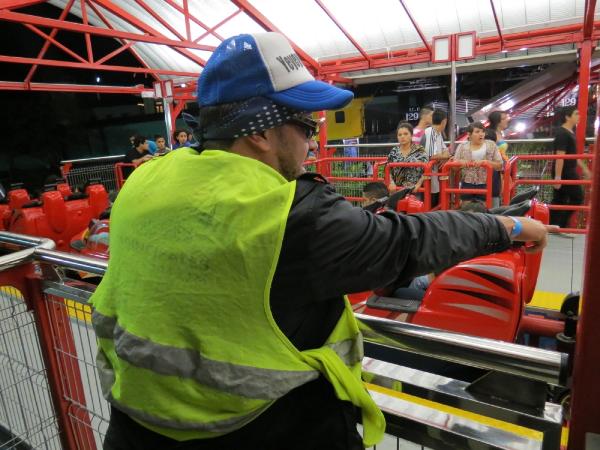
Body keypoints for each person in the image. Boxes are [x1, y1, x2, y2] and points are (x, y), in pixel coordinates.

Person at [91, 32, 551, 450]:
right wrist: (505, 227)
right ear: (261, 132)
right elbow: (408, 240)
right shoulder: (286, 215)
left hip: (134, 427)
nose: (313, 144)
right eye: (307, 128)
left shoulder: (143, 181)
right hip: (260, 429)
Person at [550, 106, 591, 229]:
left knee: (559, 200)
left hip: (567, 170)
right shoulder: (562, 133)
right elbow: (560, 156)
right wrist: (558, 177)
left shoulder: (568, 132)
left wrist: (584, 168)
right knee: (577, 197)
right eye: (576, 114)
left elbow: (572, 154)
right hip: (565, 172)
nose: (579, 116)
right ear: (567, 117)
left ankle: (555, 226)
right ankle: (561, 225)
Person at [453, 122, 503, 203]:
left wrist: (486, 162)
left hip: (485, 183)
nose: (481, 134)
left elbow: (500, 165)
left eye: (483, 131)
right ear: (469, 134)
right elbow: (454, 168)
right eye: (477, 132)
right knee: (467, 210)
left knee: (482, 211)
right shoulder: (462, 146)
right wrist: (460, 162)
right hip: (467, 183)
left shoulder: (491, 145)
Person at [387, 122, 428, 196]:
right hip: (397, 191)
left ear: (411, 135)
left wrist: (418, 185)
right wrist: (391, 183)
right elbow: (388, 170)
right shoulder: (394, 151)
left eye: (406, 134)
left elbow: (426, 170)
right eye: (400, 135)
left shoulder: (419, 150)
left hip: (415, 191)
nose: (402, 137)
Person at [420, 109, 450, 207]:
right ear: (444, 121)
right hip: (425, 176)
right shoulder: (430, 133)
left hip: (432, 175)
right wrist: (444, 156)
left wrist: (444, 156)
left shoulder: (437, 133)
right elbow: (430, 155)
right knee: (429, 203)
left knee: (434, 201)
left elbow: (445, 151)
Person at [485, 111, 510, 207]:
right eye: (504, 118)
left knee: (499, 193)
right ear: (497, 121)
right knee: (494, 193)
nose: (507, 120)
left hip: (500, 168)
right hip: (494, 169)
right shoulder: (490, 134)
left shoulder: (499, 133)